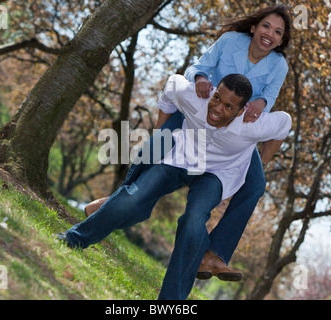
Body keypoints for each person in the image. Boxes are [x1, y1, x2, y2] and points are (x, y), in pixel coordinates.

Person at [84, 5, 293, 281]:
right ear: (254, 28)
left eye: (278, 32)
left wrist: (260, 103)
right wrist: (202, 79)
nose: (271, 34)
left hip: (230, 130)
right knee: (156, 147)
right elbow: (198, 67)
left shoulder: (279, 64)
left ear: (280, 40)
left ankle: (214, 254)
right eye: (267, 26)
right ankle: (112, 204)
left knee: (255, 185)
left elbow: (270, 97)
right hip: (198, 115)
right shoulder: (231, 41)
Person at [58, 74, 292, 300]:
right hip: (180, 158)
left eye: (229, 107)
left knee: (194, 219)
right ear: (214, 91)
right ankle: (74, 238)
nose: (218, 108)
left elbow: (285, 123)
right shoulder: (194, 97)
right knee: (133, 197)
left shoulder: (253, 125)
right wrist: (160, 132)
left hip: (216, 174)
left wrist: (262, 161)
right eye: (217, 98)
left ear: (241, 111)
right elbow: (171, 84)